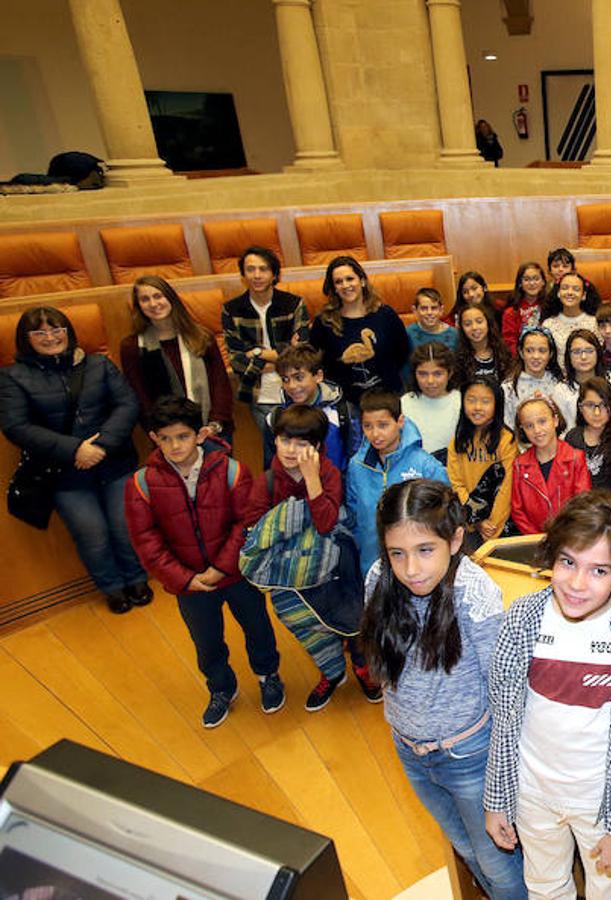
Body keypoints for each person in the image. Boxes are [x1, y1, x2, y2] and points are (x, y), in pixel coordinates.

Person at [358, 479, 526, 899]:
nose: (411, 569)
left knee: (498, 864)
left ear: (454, 539)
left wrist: (501, 788)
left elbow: (506, 694)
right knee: (466, 848)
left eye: (424, 550)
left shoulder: (476, 594)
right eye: (398, 553)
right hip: (409, 749)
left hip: (470, 755)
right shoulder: (379, 578)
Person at [483, 491, 611, 900]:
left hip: (602, 802)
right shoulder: (523, 619)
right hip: (533, 793)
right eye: (568, 562)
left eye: (599, 571)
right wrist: (496, 800)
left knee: (610, 893)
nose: (577, 584)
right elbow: (504, 720)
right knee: (544, 887)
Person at [124, 397, 280, 727]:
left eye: (182, 436)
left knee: (258, 628)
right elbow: (146, 541)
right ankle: (221, 687)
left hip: (237, 575)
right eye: (164, 438)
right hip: (191, 585)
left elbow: (246, 524)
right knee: (206, 641)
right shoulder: (141, 484)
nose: (174, 445)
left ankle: (268, 675)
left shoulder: (233, 471)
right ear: (154, 438)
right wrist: (184, 579)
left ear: (201, 434)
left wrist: (222, 568)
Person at [0, 306, 148, 613]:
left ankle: (136, 578)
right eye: (40, 332)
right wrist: (75, 450)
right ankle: (112, 587)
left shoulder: (98, 364)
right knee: (92, 534)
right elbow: (17, 427)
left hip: (114, 463)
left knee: (124, 527)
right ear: (26, 339)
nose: (51, 337)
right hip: (65, 475)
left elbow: (127, 404)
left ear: (68, 331)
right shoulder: (12, 377)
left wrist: (102, 445)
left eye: (57, 330)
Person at [242, 404, 379, 711]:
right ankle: (331, 674)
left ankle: (364, 670)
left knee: (353, 622)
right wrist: (288, 522)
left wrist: (311, 479)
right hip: (291, 580)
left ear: (316, 447)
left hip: (334, 570)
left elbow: (327, 522)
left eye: (302, 443)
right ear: (274, 440)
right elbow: (256, 531)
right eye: (285, 440)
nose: (291, 450)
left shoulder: (328, 473)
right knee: (308, 629)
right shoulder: (265, 482)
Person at [221, 246, 309, 465]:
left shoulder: (293, 303)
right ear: (243, 274)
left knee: (305, 446)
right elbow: (237, 360)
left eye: (263, 269)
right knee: (275, 451)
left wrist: (259, 353)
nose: (257, 275)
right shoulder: (232, 309)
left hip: (298, 387)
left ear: (274, 274)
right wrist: (283, 353)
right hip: (259, 390)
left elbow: (303, 353)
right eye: (250, 269)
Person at [120, 275, 234, 441]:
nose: (153, 304)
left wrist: (213, 425)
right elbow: (140, 398)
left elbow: (220, 383)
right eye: (145, 299)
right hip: (169, 438)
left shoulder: (201, 336)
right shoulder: (132, 347)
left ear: (170, 298)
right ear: (138, 307)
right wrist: (160, 434)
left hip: (212, 430)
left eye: (158, 296)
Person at [348, 389, 450, 574]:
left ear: (400, 422)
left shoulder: (425, 465)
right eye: (368, 426)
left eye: (383, 425)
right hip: (372, 561)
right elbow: (353, 513)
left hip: (416, 565)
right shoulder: (356, 466)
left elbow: (447, 510)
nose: (375, 433)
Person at [311, 256, 411, 406]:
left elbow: (402, 352)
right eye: (338, 282)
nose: (345, 285)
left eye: (350, 279)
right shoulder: (324, 322)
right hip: (347, 403)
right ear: (334, 289)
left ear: (362, 281)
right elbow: (318, 362)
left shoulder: (385, 314)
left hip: (388, 399)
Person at [447, 376, 518, 550]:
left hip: (501, 526)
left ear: (497, 404)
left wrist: (492, 524)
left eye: (485, 401)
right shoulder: (457, 442)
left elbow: (507, 487)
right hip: (469, 524)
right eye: (471, 400)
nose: (477, 407)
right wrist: (477, 521)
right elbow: (456, 484)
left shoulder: (506, 440)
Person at [273, 343, 360, 472]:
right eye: (285, 379)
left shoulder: (344, 413)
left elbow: (355, 460)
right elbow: (272, 466)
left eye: (299, 377)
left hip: (334, 487)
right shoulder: (277, 416)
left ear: (318, 376)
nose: (291, 385)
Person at [510, 397, 592, 536]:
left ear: (555, 420)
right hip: (533, 541)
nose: (537, 430)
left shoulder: (575, 459)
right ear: (523, 429)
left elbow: (583, 504)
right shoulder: (519, 464)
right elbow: (517, 511)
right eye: (529, 425)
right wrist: (537, 538)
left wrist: (561, 537)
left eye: (542, 421)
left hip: (570, 538)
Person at [565, 375, 611, 493]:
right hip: (576, 508)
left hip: (608, 509)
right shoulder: (572, 438)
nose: (597, 413)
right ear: (580, 408)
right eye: (590, 405)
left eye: (603, 405)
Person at [502, 328, 576, 429]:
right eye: (529, 350)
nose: (536, 356)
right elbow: (507, 427)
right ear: (521, 352)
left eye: (542, 351)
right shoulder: (509, 389)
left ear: (550, 354)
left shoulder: (560, 385)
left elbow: (567, 423)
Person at [402, 342, 462, 464]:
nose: (430, 381)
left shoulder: (461, 402)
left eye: (437, 374)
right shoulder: (405, 403)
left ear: (450, 373)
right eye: (423, 374)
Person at [405, 288, 461, 382]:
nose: (429, 313)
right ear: (415, 310)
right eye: (424, 308)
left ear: (441, 310)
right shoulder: (408, 333)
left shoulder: (454, 334)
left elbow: (457, 366)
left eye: (434, 308)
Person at [542, 272, 599, 362]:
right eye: (565, 288)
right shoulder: (548, 325)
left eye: (576, 289)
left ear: (583, 295)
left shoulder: (594, 323)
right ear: (558, 293)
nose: (570, 292)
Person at [454, 301, 514, 385]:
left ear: (488, 323)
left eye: (479, 321)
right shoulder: (458, 359)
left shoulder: (503, 353)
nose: (474, 327)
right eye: (467, 324)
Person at [503, 262, 550, 353]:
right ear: (520, 283)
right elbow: (509, 341)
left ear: (543, 282)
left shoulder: (551, 307)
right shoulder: (511, 312)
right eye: (527, 279)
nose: (532, 283)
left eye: (536, 279)